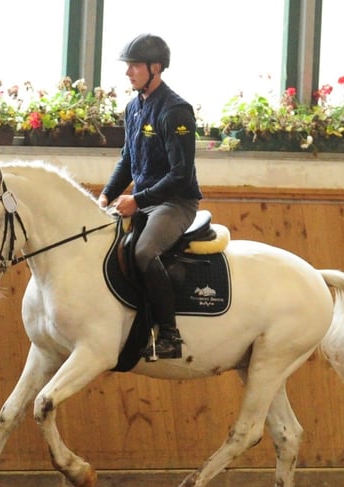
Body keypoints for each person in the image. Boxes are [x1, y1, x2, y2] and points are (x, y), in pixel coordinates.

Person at [98, 34, 202, 360]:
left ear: (155, 68)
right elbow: (127, 161)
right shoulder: (133, 108)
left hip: (175, 202)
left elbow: (180, 174)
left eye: (135, 66)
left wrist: (137, 201)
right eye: (128, 66)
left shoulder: (176, 112)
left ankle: (170, 335)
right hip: (143, 198)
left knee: (144, 253)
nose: (128, 72)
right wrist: (104, 197)